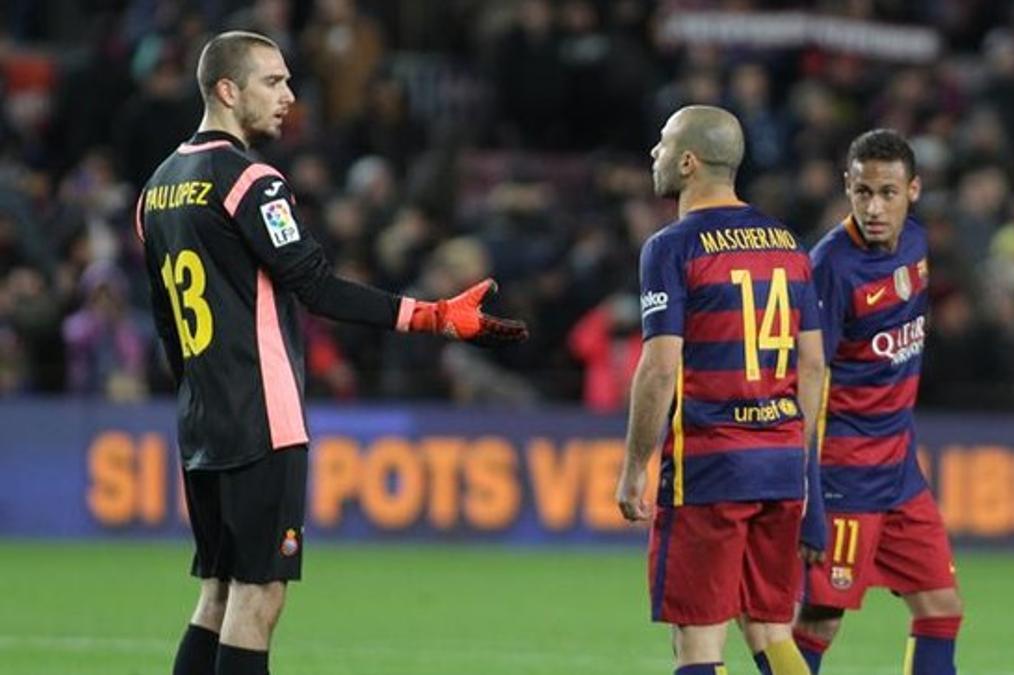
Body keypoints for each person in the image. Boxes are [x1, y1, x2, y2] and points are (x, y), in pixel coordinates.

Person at [136, 31, 527, 675]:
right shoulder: (249, 181)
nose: (290, 96)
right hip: (262, 415)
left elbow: (164, 324)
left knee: (218, 592)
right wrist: (431, 316)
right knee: (257, 598)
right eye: (274, 82)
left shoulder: (157, 189)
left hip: (202, 416)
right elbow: (314, 284)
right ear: (228, 91)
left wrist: (198, 393)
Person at [616, 105, 826, 675]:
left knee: (699, 640)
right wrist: (795, 451)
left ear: (688, 162)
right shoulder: (786, 243)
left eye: (662, 145)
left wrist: (636, 464)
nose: (653, 155)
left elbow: (660, 367)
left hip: (711, 464)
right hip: (781, 461)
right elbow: (812, 365)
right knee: (769, 626)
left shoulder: (672, 247)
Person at [792, 129, 964, 675]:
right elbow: (809, 381)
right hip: (846, 475)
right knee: (820, 620)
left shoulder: (916, 243)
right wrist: (811, 501)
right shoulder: (829, 269)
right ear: (847, 187)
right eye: (863, 191)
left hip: (900, 471)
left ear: (913, 190)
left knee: (941, 609)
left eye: (887, 193)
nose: (874, 207)